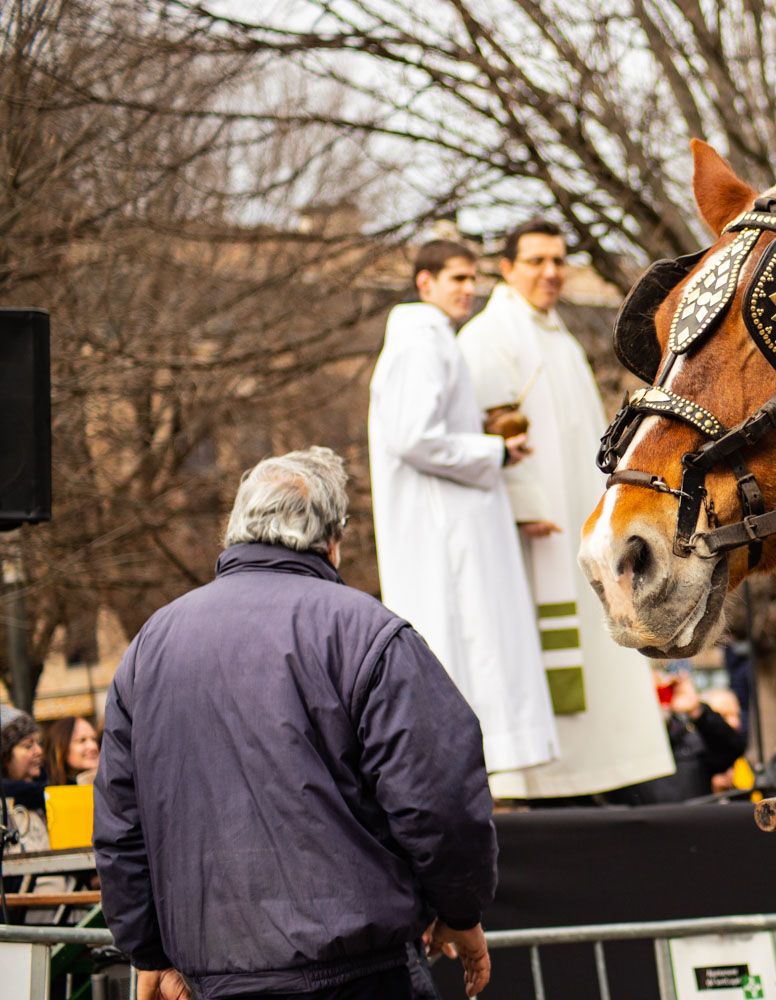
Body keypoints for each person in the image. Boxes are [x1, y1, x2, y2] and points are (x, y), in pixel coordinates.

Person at [94, 447, 497, 1000]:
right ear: (333, 541)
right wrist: (461, 909)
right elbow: (440, 798)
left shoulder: (148, 650)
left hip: (213, 980)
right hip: (359, 977)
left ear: (234, 532)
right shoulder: (367, 633)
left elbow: (121, 826)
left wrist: (148, 952)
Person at [457, 219, 671, 799]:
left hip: (582, 520)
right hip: (538, 535)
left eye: (558, 260)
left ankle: (606, 775)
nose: (551, 272)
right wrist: (528, 507)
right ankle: (551, 782)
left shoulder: (559, 337)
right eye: (536, 261)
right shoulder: (487, 335)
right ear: (506, 267)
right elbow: (498, 426)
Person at [369, 238, 559, 779]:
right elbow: (413, 437)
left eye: (473, 278)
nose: (469, 289)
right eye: (457, 278)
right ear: (424, 282)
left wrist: (484, 437)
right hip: (445, 532)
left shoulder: (432, 341)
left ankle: (482, 772)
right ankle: (476, 774)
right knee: (467, 641)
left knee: (479, 640)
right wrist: (493, 449)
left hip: (454, 521)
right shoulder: (419, 341)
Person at [612, 673, 746, 804]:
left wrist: (697, 710)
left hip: (694, 821)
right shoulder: (622, 748)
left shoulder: (688, 738)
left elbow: (731, 748)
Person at [1, 706, 48, 858]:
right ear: (4, 756)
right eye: (28, 746)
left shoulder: (47, 796)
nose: (39, 751)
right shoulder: (5, 810)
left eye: (38, 743)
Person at [43, 715, 99, 785]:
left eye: (94, 739)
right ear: (61, 748)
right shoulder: (44, 792)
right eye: (82, 740)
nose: (93, 746)